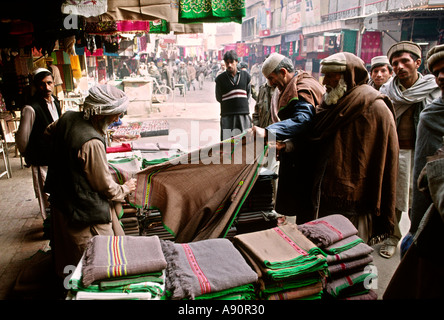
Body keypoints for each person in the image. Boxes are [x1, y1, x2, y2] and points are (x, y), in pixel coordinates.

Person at [299, 52, 399, 244]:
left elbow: (385, 157)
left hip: (355, 198)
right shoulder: (330, 104)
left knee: (349, 254)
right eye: (324, 75)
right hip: (324, 190)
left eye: (331, 75)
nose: (325, 81)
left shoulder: (374, 106)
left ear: (348, 76)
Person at [44, 84, 137, 279]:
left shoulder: (67, 117)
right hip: (82, 214)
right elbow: (104, 186)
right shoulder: (91, 142)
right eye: (115, 116)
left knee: (67, 260)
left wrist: (64, 161)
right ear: (99, 114)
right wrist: (124, 188)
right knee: (98, 263)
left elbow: (48, 132)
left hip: (61, 205)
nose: (117, 121)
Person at [379, 41, 441, 258]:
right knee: (393, 197)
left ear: (417, 63)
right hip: (395, 152)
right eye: (394, 63)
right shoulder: (386, 92)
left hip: (424, 153)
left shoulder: (433, 89)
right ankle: (392, 237)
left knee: (421, 197)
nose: (399, 67)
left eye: (405, 61)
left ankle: (417, 235)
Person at [251, 53, 325, 223]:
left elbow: (303, 120)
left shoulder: (302, 88)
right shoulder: (296, 83)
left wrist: (268, 131)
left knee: (307, 205)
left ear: (283, 72)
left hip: (310, 158)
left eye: (271, 78)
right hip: (300, 150)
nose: (270, 83)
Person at [16, 68, 62, 222]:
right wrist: (29, 155)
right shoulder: (31, 108)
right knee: (46, 195)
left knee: (58, 192)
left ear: (54, 83)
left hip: (55, 157)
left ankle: (58, 223)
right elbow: (22, 138)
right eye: (42, 84)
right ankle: (49, 226)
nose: (47, 87)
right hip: (41, 160)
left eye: (49, 83)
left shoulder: (55, 102)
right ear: (37, 86)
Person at [215, 50, 252, 140]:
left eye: (231, 62)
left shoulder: (246, 76)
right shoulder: (220, 79)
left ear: (236, 62)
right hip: (227, 116)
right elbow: (219, 97)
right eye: (227, 63)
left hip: (243, 116)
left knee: (245, 142)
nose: (229, 65)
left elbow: (248, 94)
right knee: (227, 145)